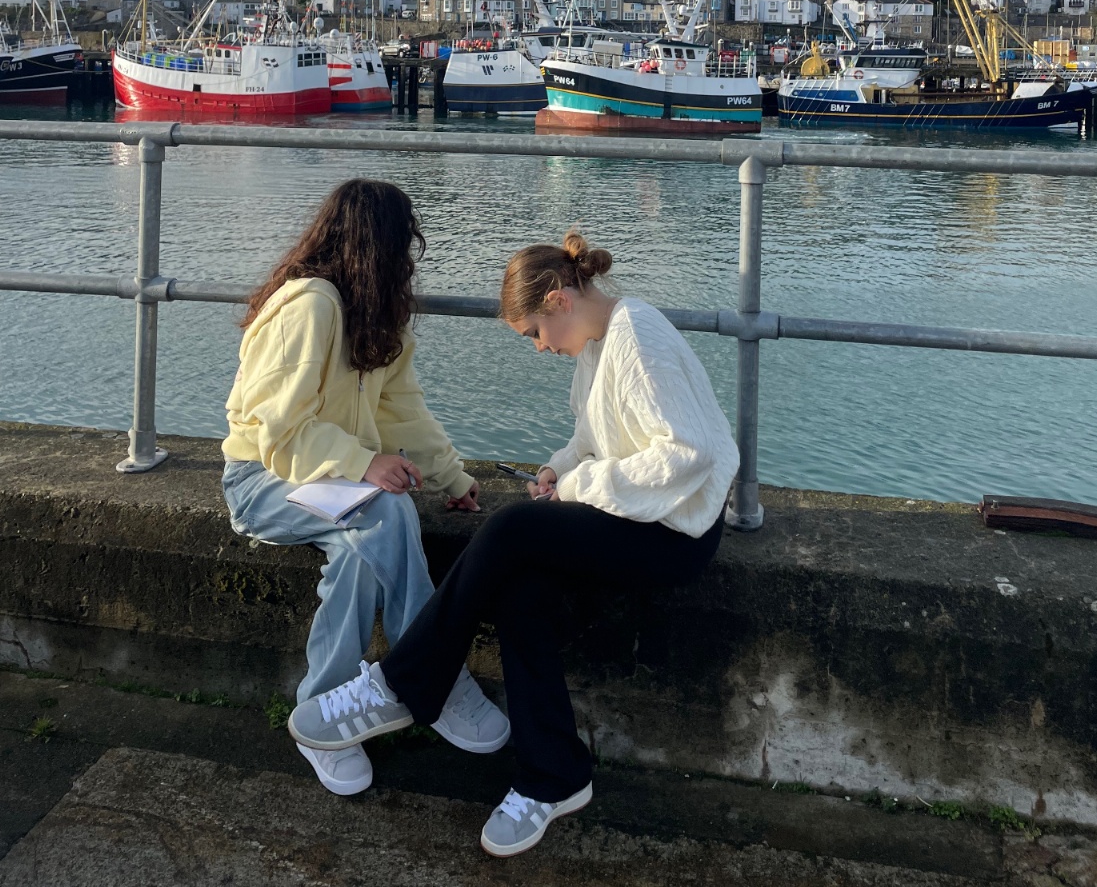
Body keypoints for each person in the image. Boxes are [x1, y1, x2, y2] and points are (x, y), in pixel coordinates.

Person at [289, 229, 739, 856]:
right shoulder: (600, 342)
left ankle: (398, 686)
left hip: (677, 530)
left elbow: (686, 456)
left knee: (510, 528)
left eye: (534, 332)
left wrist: (577, 486)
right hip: (641, 515)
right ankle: (553, 776)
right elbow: (594, 437)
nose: (539, 347)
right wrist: (559, 468)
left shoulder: (638, 337)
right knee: (520, 589)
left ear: (559, 300)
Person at [222, 177, 509, 797]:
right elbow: (277, 433)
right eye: (403, 244)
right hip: (261, 479)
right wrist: (362, 463)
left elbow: (404, 413)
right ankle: (434, 675)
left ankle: (322, 717)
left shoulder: (378, 317)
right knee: (388, 512)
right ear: (379, 245)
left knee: (359, 554)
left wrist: (453, 478)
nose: (409, 260)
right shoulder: (309, 306)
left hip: (332, 487)